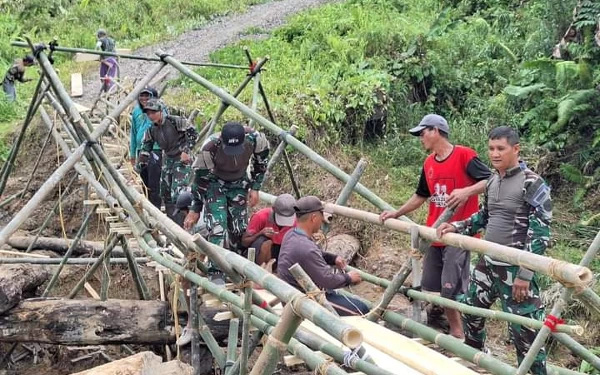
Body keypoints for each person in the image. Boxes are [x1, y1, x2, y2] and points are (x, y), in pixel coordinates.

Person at [437, 126, 552, 374]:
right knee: (471, 308)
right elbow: (485, 216)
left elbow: (540, 231)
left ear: (516, 149)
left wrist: (525, 274)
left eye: (501, 148)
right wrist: (457, 226)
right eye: (491, 149)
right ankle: (478, 359)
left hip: (515, 270)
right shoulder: (492, 180)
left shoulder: (532, 182)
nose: (495, 154)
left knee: (525, 332)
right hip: (488, 264)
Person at [379, 114, 491, 338]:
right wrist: (397, 212)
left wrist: (466, 191)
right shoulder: (429, 163)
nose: (421, 138)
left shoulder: (464, 155)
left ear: (436, 131)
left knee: (450, 288)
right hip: (435, 232)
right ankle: (441, 320)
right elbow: (421, 195)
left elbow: (490, 180)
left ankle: (459, 333)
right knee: (432, 286)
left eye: (423, 133)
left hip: (459, 232)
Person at [184, 121, 269, 260]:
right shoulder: (210, 147)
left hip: (239, 184)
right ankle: (215, 271)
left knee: (238, 229)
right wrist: (196, 208)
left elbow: (261, 163)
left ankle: (238, 267)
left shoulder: (255, 138)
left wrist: (255, 187)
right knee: (217, 227)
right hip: (215, 184)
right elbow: (200, 179)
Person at [278, 196, 368, 316]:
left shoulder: (291, 234)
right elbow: (328, 281)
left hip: (291, 293)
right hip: (304, 301)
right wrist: (349, 278)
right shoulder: (306, 248)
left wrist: (333, 258)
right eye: (321, 216)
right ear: (314, 218)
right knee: (361, 308)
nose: (322, 221)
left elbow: (314, 254)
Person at [139, 98, 198, 219]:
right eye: (148, 113)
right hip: (168, 159)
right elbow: (146, 147)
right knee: (165, 191)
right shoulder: (152, 130)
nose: (151, 116)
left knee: (178, 192)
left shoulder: (175, 121)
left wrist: (186, 150)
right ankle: (172, 221)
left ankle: (185, 221)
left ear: (160, 111)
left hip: (181, 159)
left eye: (153, 112)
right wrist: (140, 166)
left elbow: (193, 134)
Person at [241, 193, 296, 267]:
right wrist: (260, 233)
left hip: (281, 254)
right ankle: (261, 271)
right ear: (273, 209)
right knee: (266, 242)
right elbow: (244, 242)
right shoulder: (260, 217)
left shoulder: (295, 221)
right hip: (258, 254)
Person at [130, 87, 162, 208]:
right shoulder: (136, 111)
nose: (144, 99)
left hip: (155, 150)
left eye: (147, 96)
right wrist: (132, 153)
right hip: (141, 151)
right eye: (141, 96)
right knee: (144, 182)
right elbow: (133, 133)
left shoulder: (160, 111)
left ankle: (156, 211)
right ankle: (149, 208)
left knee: (154, 183)